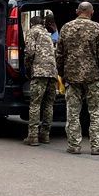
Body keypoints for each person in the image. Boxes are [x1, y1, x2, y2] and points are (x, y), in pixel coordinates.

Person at [56, 2, 99, 155]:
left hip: (72, 77)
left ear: (77, 11)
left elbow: (59, 54)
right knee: (96, 112)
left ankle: (74, 145)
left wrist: (62, 73)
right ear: (91, 13)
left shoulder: (66, 28)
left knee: (73, 112)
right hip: (93, 77)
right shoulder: (97, 28)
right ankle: (97, 145)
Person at [22, 15, 58, 146]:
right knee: (48, 104)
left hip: (39, 72)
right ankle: (45, 135)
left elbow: (30, 52)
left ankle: (32, 136)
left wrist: (26, 69)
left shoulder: (32, 32)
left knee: (35, 104)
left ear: (32, 24)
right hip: (52, 73)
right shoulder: (47, 34)